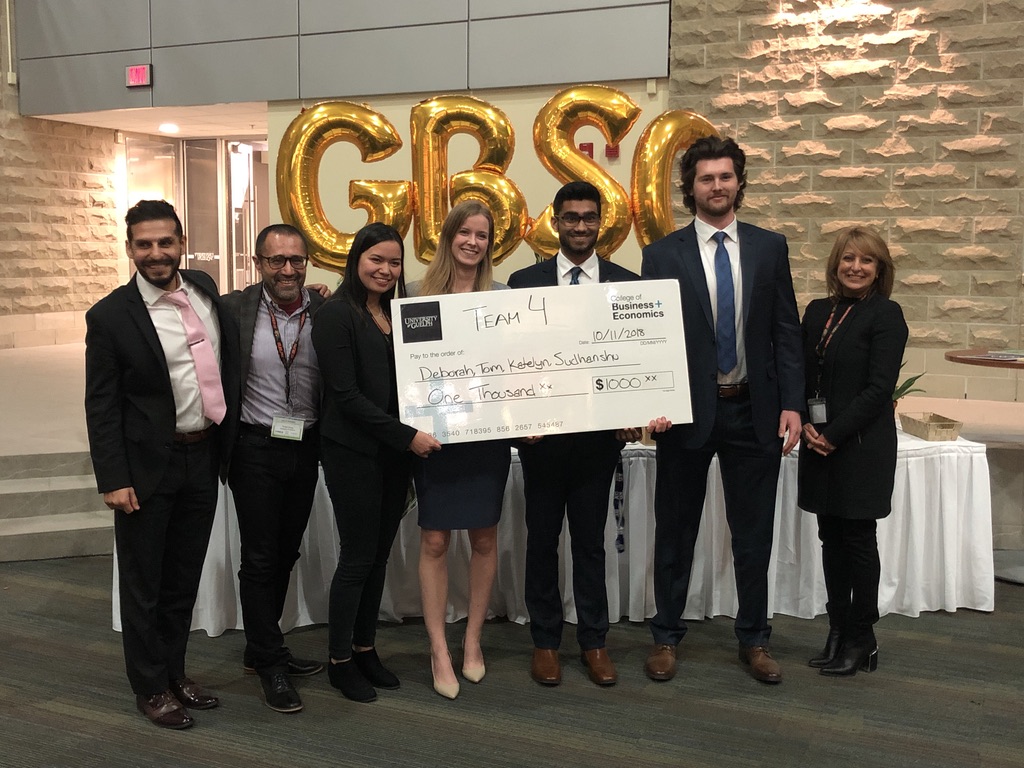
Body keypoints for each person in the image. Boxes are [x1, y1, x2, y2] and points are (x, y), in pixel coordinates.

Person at [641, 136, 803, 684]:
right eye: (706, 178)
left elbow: (786, 332)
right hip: (687, 415)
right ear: (691, 188)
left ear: (739, 182)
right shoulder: (662, 254)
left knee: (754, 534)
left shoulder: (769, 247)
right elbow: (650, 340)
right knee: (676, 531)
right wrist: (652, 403)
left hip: (753, 412)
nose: (717, 186)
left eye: (726, 176)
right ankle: (665, 635)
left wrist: (793, 406)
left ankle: (755, 639)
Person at [85, 200, 238, 729]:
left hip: (203, 457)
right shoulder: (110, 316)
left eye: (165, 242)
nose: (156, 253)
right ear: (130, 248)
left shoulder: (203, 288)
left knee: (182, 579)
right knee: (143, 584)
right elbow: (101, 404)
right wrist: (114, 478)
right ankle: (149, 687)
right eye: (144, 244)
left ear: (181, 243)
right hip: (148, 468)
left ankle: (175, 673)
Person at [507, 181, 640, 687]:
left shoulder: (628, 283)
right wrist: (520, 421)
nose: (579, 226)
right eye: (570, 217)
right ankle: (545, 643)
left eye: (588, 217)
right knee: (541, 542)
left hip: (598, 442)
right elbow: (511, 363)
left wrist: (636, 412)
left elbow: (635, 357)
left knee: (589, 545)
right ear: (555, 221)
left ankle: (594, 641)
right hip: (542, 442)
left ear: (600, 222)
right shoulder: (524, 282)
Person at [312, 222, 442, 703]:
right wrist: (408, 437)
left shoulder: (399, 312)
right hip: (353, 453)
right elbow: (345, 396)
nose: (386, 270)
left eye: (394, 262)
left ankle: (365, 648)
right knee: (357, 557)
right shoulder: (334, 315)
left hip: (393, 454)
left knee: (379, 556)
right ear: (356, 260)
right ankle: (339, 660)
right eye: (376, 260)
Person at [407, 200, 513, 700]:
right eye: (464, 233)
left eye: (482, 235)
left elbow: (519, 371)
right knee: (434, 542)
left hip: (486, 440)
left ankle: (472, 640)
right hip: (436, 439)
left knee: (485, 540)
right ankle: (437, 648)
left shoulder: (503, 297)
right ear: (448, 236)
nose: (473, 242)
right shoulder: (414, 297)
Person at [221, 224, 327, 713]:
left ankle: (262, 647)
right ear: (258, 263)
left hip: (304, 447)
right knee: (261, 556)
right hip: (254, 448)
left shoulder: (323, 311)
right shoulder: (234, 310)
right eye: (276, 260)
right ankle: (269, 663)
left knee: (286, 551)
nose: (288, 269)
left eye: (296, 260)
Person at [798, 226, 908, 676]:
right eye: (848, 259)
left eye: (866, 261)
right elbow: (804, 373)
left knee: (859, 541)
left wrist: (834, 432)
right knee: (830, 539)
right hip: (818, 442)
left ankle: (863, 636)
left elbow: (880, 388)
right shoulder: (818, 310)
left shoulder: (887, 314)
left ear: (879, 269)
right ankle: (838, 629)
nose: (855, 268)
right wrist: (804, 420)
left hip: (859, 445)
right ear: (835, 264)